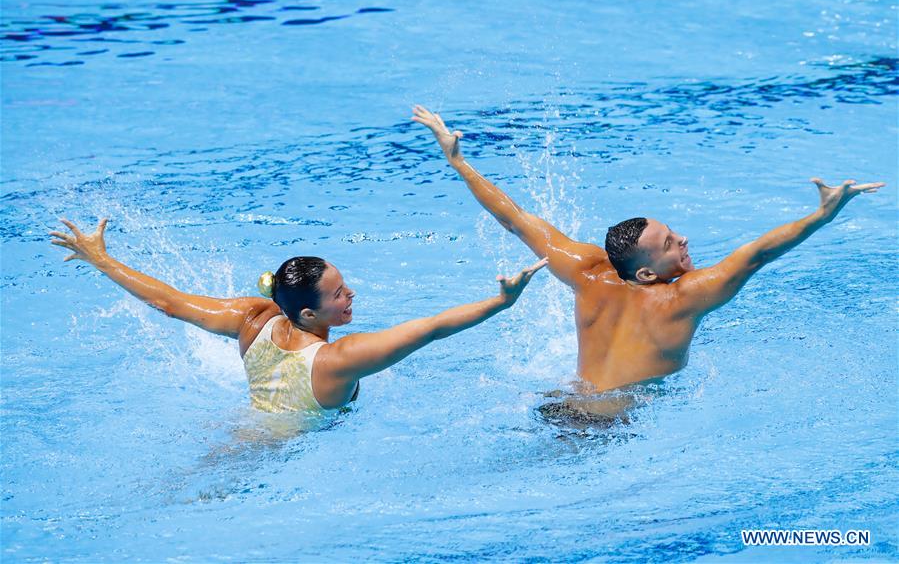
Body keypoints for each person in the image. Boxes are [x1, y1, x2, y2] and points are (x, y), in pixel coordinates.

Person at [412, 105, 885, 393]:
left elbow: (514, 219)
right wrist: (821, 217)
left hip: (562, 404)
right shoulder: (679, 298)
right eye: (668, 244)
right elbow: (757, 254)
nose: (682, 241)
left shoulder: (587, 272)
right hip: (618, 426)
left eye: (673, 233)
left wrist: (457, 161)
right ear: (643, 273)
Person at [49, 218, 547, 415]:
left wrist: (101, 259)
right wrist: (501, 303)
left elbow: (171, 304)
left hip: (246, 430)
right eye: (338, 295)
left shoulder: (254, 318)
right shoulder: (337, 360)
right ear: (309, 312)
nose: (351, 296)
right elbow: (432, 328)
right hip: (280, 460)